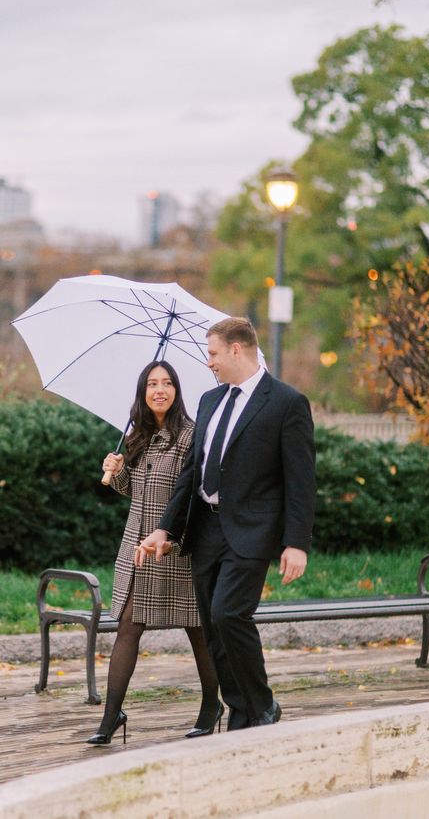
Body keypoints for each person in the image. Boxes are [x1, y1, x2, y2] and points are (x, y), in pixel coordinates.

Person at [135, 318, 315, 731]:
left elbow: (301, 480)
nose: (208, 361)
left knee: (229, 613)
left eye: (213, 353)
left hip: (252, 531)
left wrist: (296, 543)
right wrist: (166, 528)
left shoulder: (287, 403)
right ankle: (240, 709)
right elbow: (191, 472)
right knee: (213, 625)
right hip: (205, 530)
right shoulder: (209, 401)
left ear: (237, 350)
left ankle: (263, 705)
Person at [86, 360, 220, 745]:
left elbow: (190, 496)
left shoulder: (191, 437)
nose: (159, 390)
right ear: (143, 393)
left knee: (198, 632)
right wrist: (118, 471)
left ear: (177, 391)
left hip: (175, 550)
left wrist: (172, 538)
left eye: (166, 383)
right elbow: (141, 495)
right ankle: (111, 717)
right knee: (127, 627)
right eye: (151, 384)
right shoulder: (139, 437)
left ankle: (212, 706)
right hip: (137, 549)